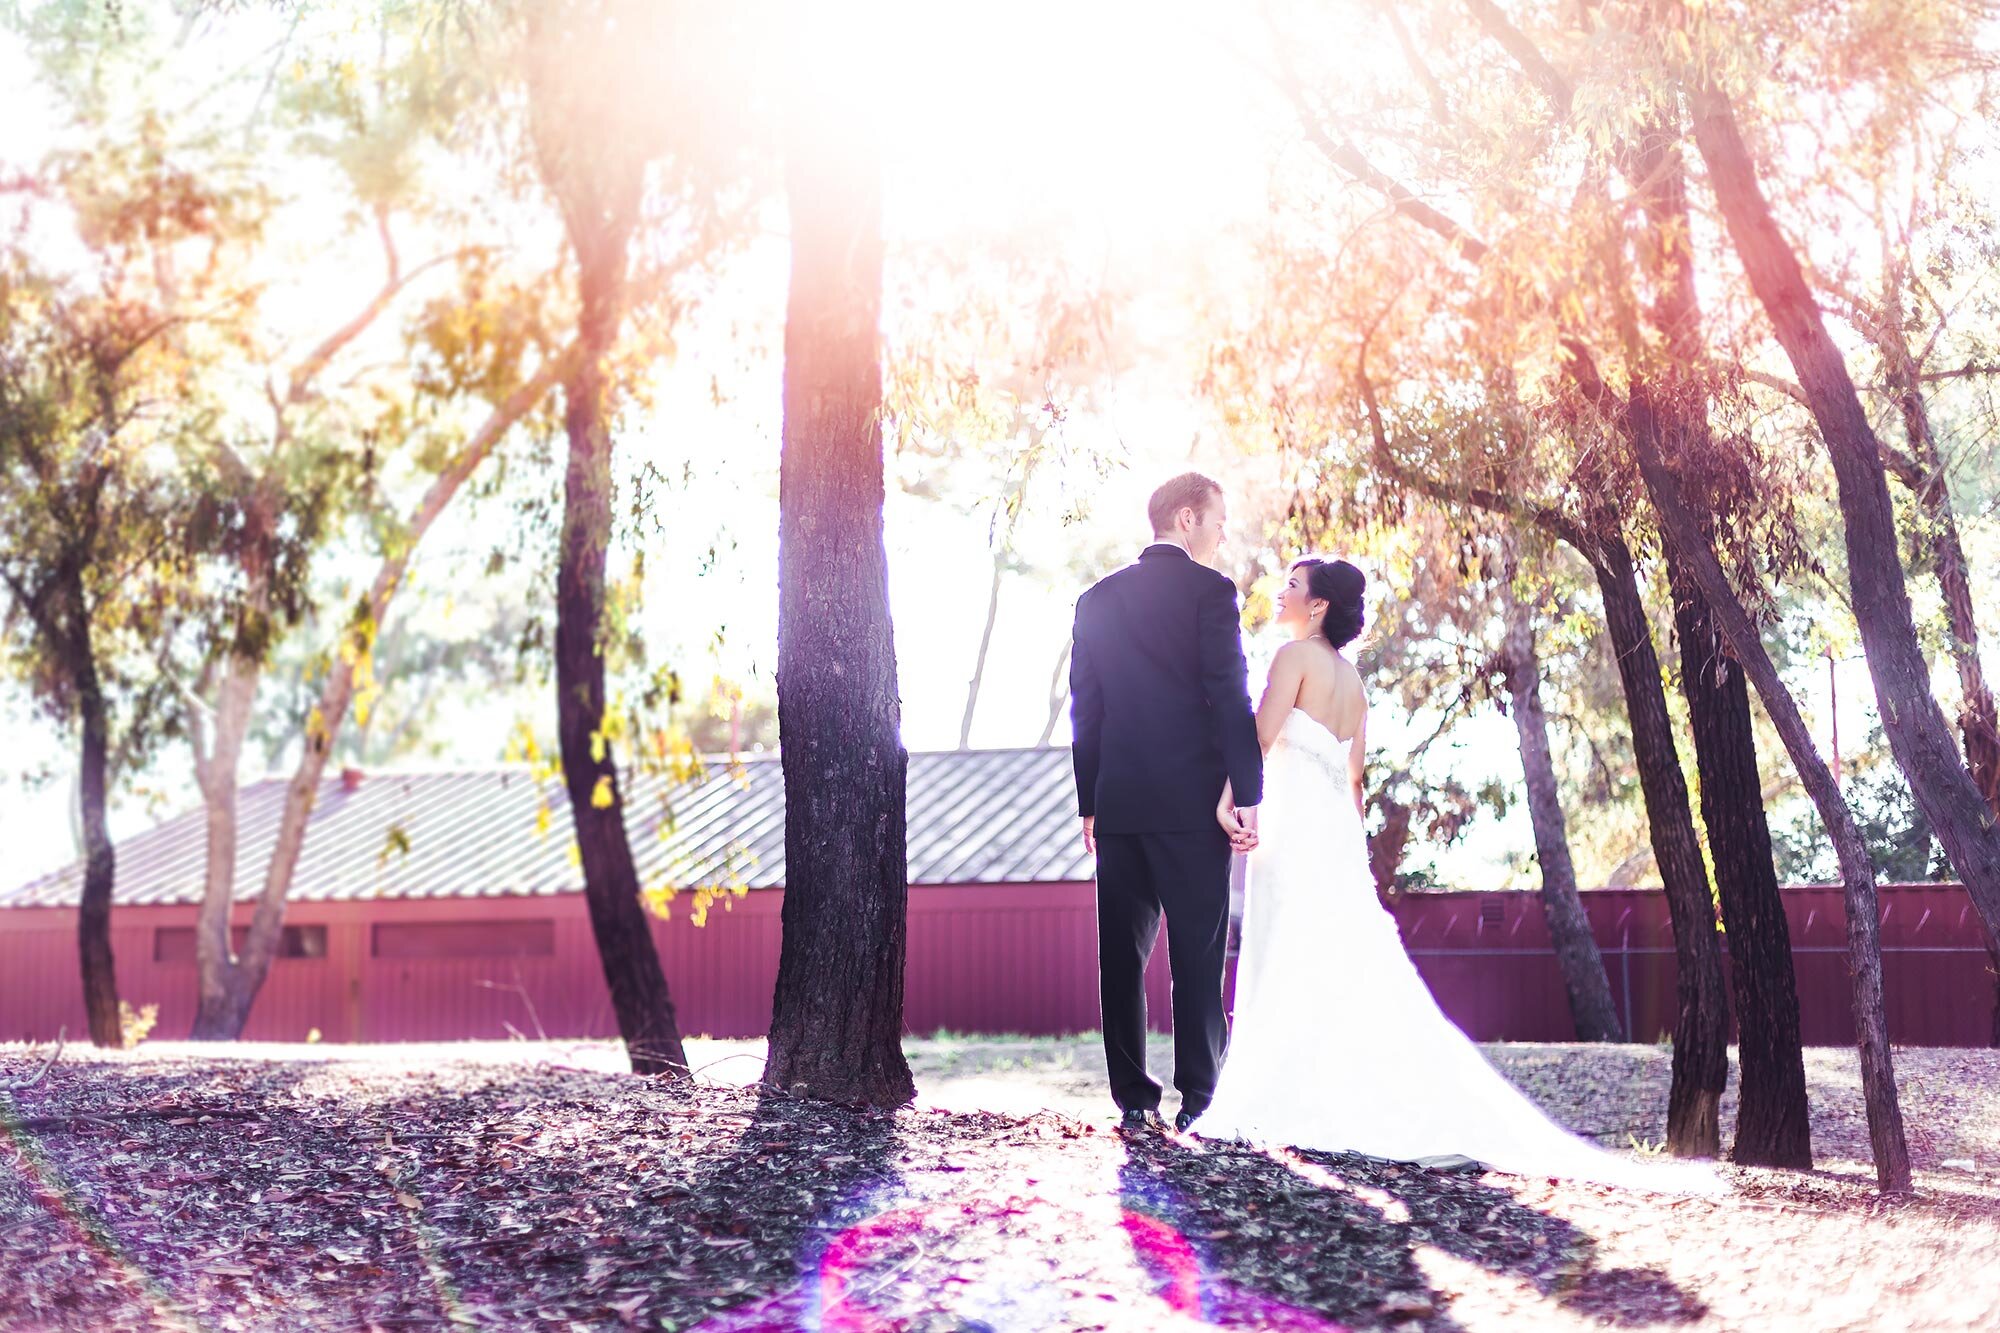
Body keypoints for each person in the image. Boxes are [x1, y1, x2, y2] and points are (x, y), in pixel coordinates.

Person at [1194, 556, 1720, 1192]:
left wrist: (1229, 796)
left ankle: (1285, 1094)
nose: (1281, 592)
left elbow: (1258, 738)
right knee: (1343, 962)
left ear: (1319, 606)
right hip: (1332, 835)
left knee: (1288, 952)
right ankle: (1340, 1094)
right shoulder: (1354, 686)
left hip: (1298, 830)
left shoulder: (1292, 659)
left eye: (1292, 585)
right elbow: (1354, 781)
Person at [1069, 472, 1263, 1135]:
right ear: (1186, 519)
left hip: (1119, 805)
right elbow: (1229, 696)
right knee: (1198, 960)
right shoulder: (1211, 593)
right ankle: (1200, 1100)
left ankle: (1133, 1098)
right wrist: (1248, 793)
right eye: (1218, 518)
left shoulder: (1094, 600)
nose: (1221, 531)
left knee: (1120, 961)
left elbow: (1085, 713)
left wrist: (1088, 802)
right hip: (1192, 807)